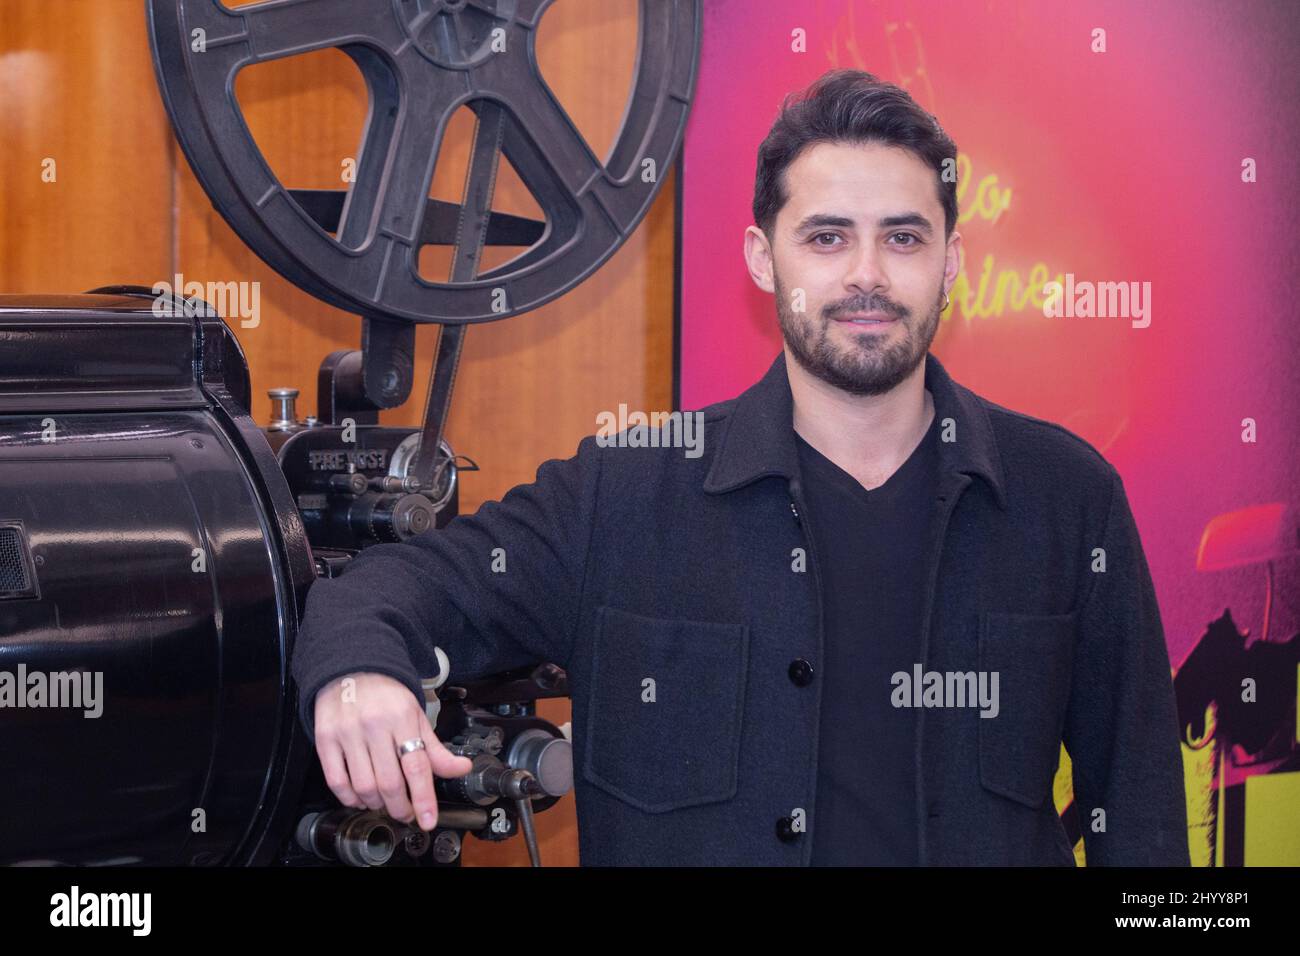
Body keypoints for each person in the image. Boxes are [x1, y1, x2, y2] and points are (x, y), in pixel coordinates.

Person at [291, 68, 1190, 866]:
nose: (867, 275)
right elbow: (384, 588)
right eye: (828, 237)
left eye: (905, 239)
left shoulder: (1068, 499)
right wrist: (360, 671)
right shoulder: (623, 492)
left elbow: (1139, 815)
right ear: (765, 260)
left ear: (952, 264)